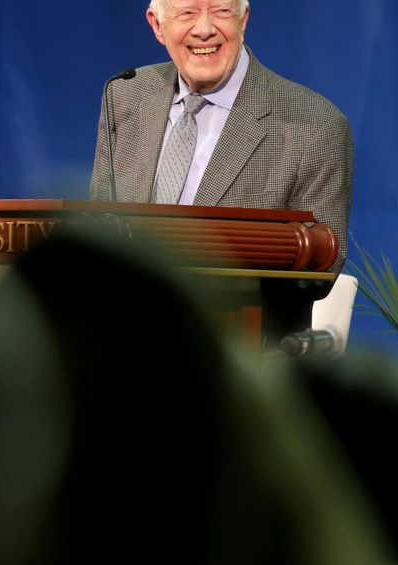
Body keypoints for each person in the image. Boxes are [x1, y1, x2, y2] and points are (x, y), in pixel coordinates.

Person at [89, 0, 353, 344]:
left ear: (244, 20)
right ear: (157, 25)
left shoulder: (314, 126)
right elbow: (96, 228)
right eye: (186, 13)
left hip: (244, 361)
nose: (204, 28)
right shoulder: (124, 96)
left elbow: (320, 272)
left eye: (221, 11)